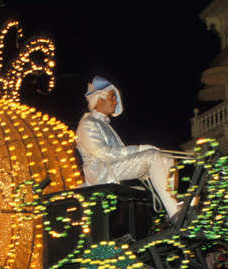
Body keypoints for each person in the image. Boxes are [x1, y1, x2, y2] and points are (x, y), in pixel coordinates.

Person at [75, 76, 180, 219]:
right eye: (112, 97)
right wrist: (139, 149)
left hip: (113, 168)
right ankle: (174, 214)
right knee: (153, 155)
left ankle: (174, 204)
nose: (116, 101)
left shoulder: (103, 124)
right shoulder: (87, 124)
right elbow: (104, 154)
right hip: (103, 172)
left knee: (166, 158)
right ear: (99, 99)